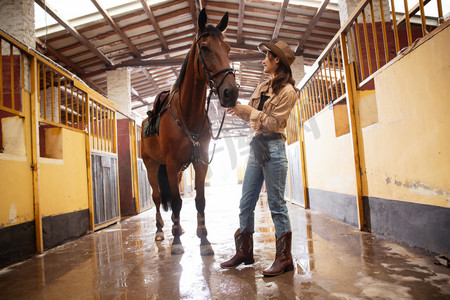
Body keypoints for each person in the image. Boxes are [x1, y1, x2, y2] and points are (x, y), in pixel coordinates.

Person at [220, 41, 298, 276]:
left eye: (267, 57)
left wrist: (251, 113)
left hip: (274, 147)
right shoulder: (263, 86)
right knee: (246, 202)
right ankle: (245, 252)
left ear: (277, 61)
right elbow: (255, 119)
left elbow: (273, 123)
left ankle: (284, 258)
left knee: (276, 205)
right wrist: (244, 111)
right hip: (257, 147)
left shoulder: (288, 92)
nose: (263, 60)